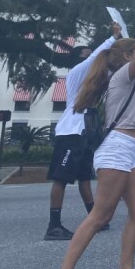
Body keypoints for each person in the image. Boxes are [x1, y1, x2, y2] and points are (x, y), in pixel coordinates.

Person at [46, 0, 135, 269]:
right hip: (116, 150)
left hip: (130, 149)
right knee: (101, 216)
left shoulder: (130, 81)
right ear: (128, 57)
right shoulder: (124, 75)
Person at [44, 23, 122, 239]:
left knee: (84, 177)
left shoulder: (92, 80)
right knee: (61, 179)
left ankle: (95, 218)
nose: (92, 58)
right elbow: (94, 58)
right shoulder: (76, 73)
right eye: (86, 55)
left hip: (83, 132)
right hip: (71, 132)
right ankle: (53, 226)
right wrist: (113, 38)